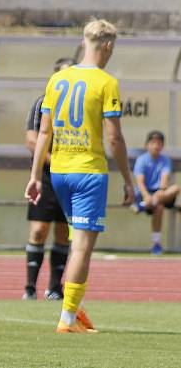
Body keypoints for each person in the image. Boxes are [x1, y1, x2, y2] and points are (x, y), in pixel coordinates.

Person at [26, 19, 134, 333]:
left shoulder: (57, 79)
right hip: (88, 172)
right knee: (83, 247)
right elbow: (114, 138)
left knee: (76, 239)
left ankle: (75, 305)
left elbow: (43, 131)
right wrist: (128, 179)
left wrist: (35, 175)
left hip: (58, 171)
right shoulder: (106, 82)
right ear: (109, 46)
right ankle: (68, 318)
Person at [22, 57, 75, 300]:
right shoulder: (43, 103)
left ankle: (55, 287)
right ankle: (30, 288)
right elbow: (32, 140)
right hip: (46, 175)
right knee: (39, 231)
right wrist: (56, 161)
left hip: (72, 176)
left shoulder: (80, 104)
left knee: (65, 232)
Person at [132, 130, 179, 255]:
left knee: (174, 189)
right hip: (144, 193)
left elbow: (164, 180)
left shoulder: (165, 160)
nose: (156, 146)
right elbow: (140, 182)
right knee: (158, 205)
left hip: (160, 194)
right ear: (147, 144)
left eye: (159, 143)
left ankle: (142, 207)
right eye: (153, 143)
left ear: (162, 146)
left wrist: (159, 192)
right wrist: (147, 196)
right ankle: (156, 243)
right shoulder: (141, 160)